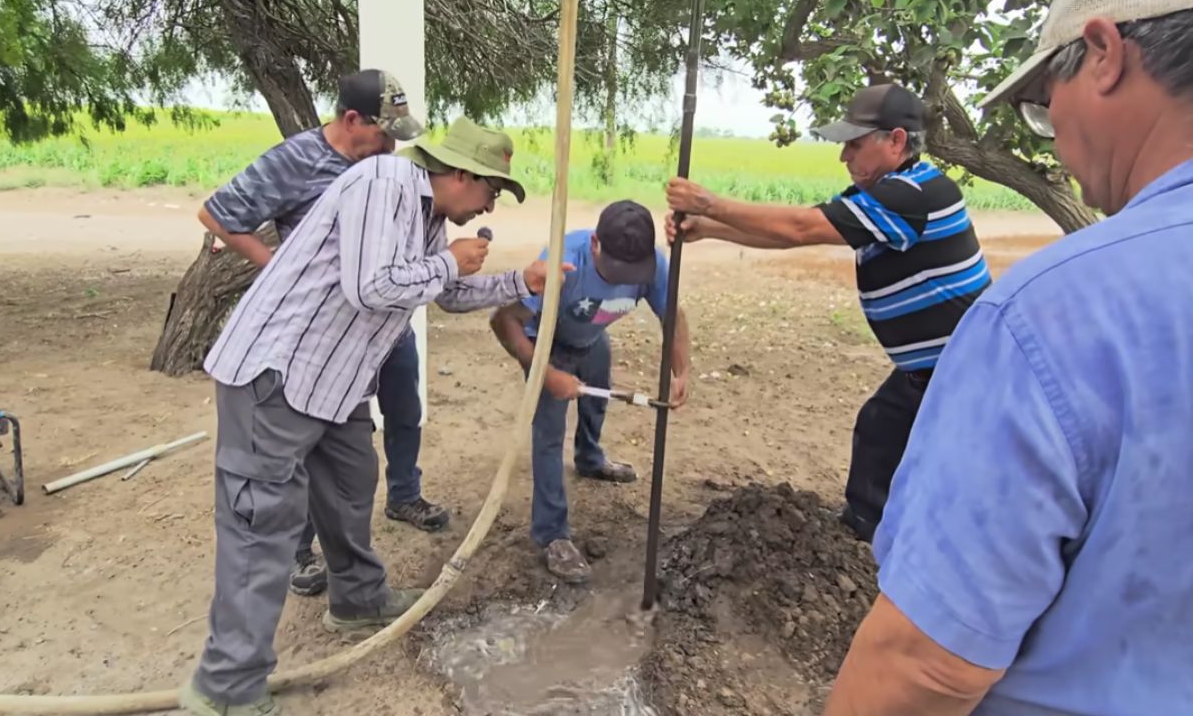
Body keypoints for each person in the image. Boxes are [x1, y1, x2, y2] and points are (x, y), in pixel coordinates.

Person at [825, 0, 1193, 713]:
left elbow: (925, 669)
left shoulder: (1052, 316)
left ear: (1103, 54)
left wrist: (707, 210)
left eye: (1039, 103)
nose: (1053, 135)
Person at [180, 117, 567, 716]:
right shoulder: (383, 182)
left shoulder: (428, 215)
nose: (492, 202)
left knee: (349, 485)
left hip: (330, 384)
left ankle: (356, 598)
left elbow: (445, 293)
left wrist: (521, 280)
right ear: (461, 174)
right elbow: (371, 286)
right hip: (275, 375)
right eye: (492, 189)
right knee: (262, 526)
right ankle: (225, 687)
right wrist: (449, 265)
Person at [665, 83, 989, 542]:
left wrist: (708, 203)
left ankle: (888, 547)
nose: (844, 157)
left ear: (895, 141)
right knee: (880, 430)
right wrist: (710, 229)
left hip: (964, 370)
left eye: (854, 145)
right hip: (932, 368)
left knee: (940, 470)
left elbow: (800, 228)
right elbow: (799, 234)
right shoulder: (884, 195)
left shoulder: (911, 197)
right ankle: (865, 541)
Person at [198, 70, 452, 602]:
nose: (390, 146)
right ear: (351, 119)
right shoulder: (297, 160)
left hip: (383, 322)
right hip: (318, 337)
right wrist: (276, 266)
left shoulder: (385, 168)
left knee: (403, 409)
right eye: (382, 134)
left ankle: (404, 495)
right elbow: (217, 213)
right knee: (314, 442)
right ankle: (302, 549)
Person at [490, 201, 691, 582]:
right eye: (615, 271)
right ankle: (552, 535)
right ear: (596, 243)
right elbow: (503, 321)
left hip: (591, 337)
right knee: (549, 436)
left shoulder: (654, 263)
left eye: (632, 273)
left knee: (598, 395)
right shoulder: (564, 264)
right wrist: (546, 373)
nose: (623, 280)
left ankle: (590, 458)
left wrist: (682, 370)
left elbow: (673, 314)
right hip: (545, 343)